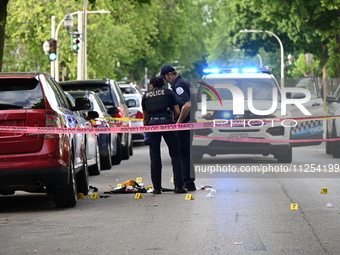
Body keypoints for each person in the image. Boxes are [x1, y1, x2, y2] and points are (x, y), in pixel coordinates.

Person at [142, 77, 187, 194]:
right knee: (175, 155)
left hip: (152, 124)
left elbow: (145, 116)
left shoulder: (146, 95)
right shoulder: (168, 93)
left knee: (155, 156)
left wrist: (146, 131)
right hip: (167, 123)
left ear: (151, 85)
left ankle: (156, 188)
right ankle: (179, 186)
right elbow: (177, 111)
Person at [158, 65, 197, 191]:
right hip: (190, 121)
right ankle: (189, 182)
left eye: (166, 78)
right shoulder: (186, 81)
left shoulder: (178, 85)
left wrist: (179, 122)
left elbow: (187, 104)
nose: (166, 81)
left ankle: (188, 182)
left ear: (170, 74)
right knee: (186, 152)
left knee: (183, 152)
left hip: (185, 122)